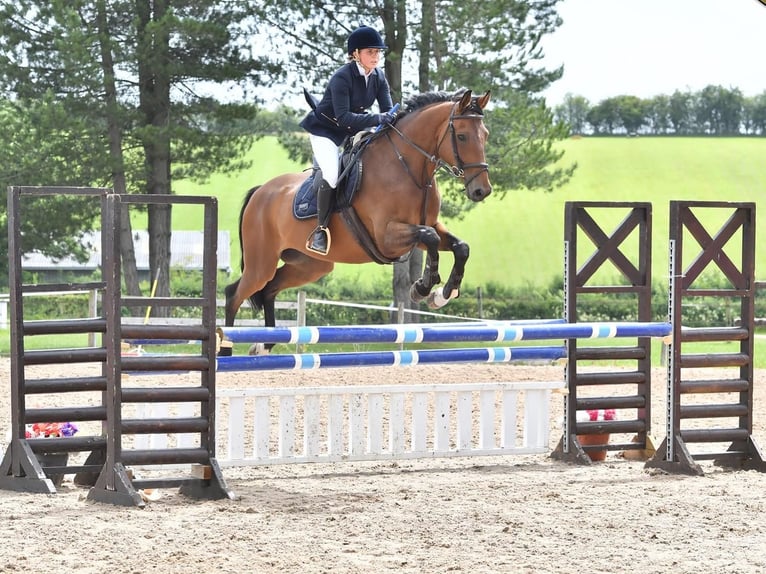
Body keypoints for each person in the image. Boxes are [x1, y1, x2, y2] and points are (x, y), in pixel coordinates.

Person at [300, 25, 397, 255]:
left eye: (378, 52)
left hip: (352, 129)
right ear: (355, 54)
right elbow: (343, 117)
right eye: (370, 52)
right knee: (332, 174)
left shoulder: (379, 77)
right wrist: (378, 118)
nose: (376, 56)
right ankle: (320, 231)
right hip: (325, 131)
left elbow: (387, 111)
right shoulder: (341, 77)